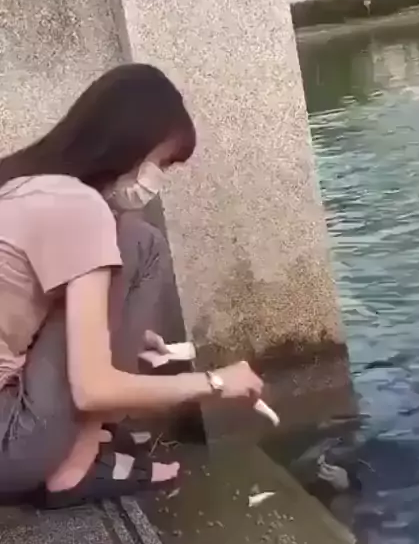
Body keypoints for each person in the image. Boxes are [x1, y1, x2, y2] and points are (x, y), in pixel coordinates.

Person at [0, 63, 263, 508]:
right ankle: (76, 463)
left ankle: (86, 441)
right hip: (9, 446)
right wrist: (216, 382)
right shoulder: (81, 208)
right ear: (129, 143)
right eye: (162, 163)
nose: (158, 179)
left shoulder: (23, 185)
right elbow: (92, 388)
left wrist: (118, 329)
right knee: (140, 242)